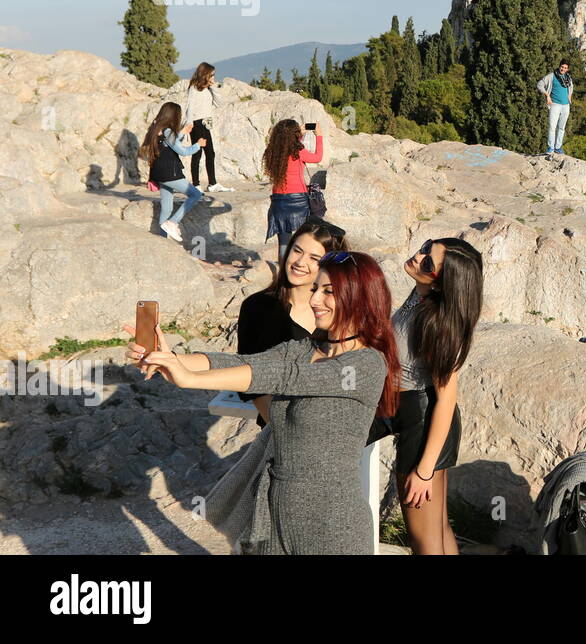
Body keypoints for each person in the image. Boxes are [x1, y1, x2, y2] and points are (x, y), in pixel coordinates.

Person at [129, 251, 401, 555]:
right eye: (315, 289)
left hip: (332, 524)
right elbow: (245, 362)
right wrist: (173, 361)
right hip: (273, 515)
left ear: (359, 297)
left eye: (329, 292)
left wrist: (189, 379)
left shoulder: (365, 365)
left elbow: (284, 376)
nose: (314, 300)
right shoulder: (305, 348)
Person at [389, 237, 483, 554]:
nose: (417, 256)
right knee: (438, 532)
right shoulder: (420, 297)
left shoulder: (438, 322)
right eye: (425, 247)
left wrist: (424, 470)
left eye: (428, 262)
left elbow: (446, 399)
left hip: (424, 425)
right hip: (418, 418)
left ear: (443, 284)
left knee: (425, 541)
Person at [236, 217, 349, 426]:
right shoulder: (258, 308)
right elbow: (252, 380)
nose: (299, 262)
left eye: (314, 257)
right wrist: (286, 431)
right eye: (297, 251)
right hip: (281, 426)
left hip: (335, 428)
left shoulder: (340, 310)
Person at [139, 101, 207, 243]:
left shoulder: (155, 129)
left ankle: (162, 241)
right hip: (170, 173)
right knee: (195, 194)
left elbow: (168, 145)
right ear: (173, 115)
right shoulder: (168, 131)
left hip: (159, 173)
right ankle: (173, 222)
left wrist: (182, 133)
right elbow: (182, 151)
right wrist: (198, 145)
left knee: (167, 207)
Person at [263, 119, 325, 258]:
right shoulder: (298, 151)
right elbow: (317, 157)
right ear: (295, 134)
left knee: (284, 242)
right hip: (297, 198)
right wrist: (319, 136)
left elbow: (288, 146)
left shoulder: (272, 151)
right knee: (305, 237)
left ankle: (283, 275)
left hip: (278, 199)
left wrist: (299, 136)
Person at [181, 62, 232, 194]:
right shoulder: (194, 88)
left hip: (206, 123)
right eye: (212, 75)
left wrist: (213, 87)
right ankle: (196, 184)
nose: (214, 77)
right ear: (205, 74)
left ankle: (212, 183)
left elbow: (219, 103)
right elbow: (190, 106)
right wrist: (189, 123)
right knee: (197, 153)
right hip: (197, 123)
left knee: (210, 153)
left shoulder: (208, 88)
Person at [536, 61, 572, 155]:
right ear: (559, 66)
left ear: (567, 69)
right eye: (562, 67)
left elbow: (571, 87)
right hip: (555, 105)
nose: (563, 69)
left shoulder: (568, 78)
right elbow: (539, 84)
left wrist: (569, 97)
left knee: (561, 127)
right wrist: (547, 95)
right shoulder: (552, 76)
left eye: (565, 68)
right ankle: (550, 147)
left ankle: (558, 147)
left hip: (565, 106)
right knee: (552, 127)